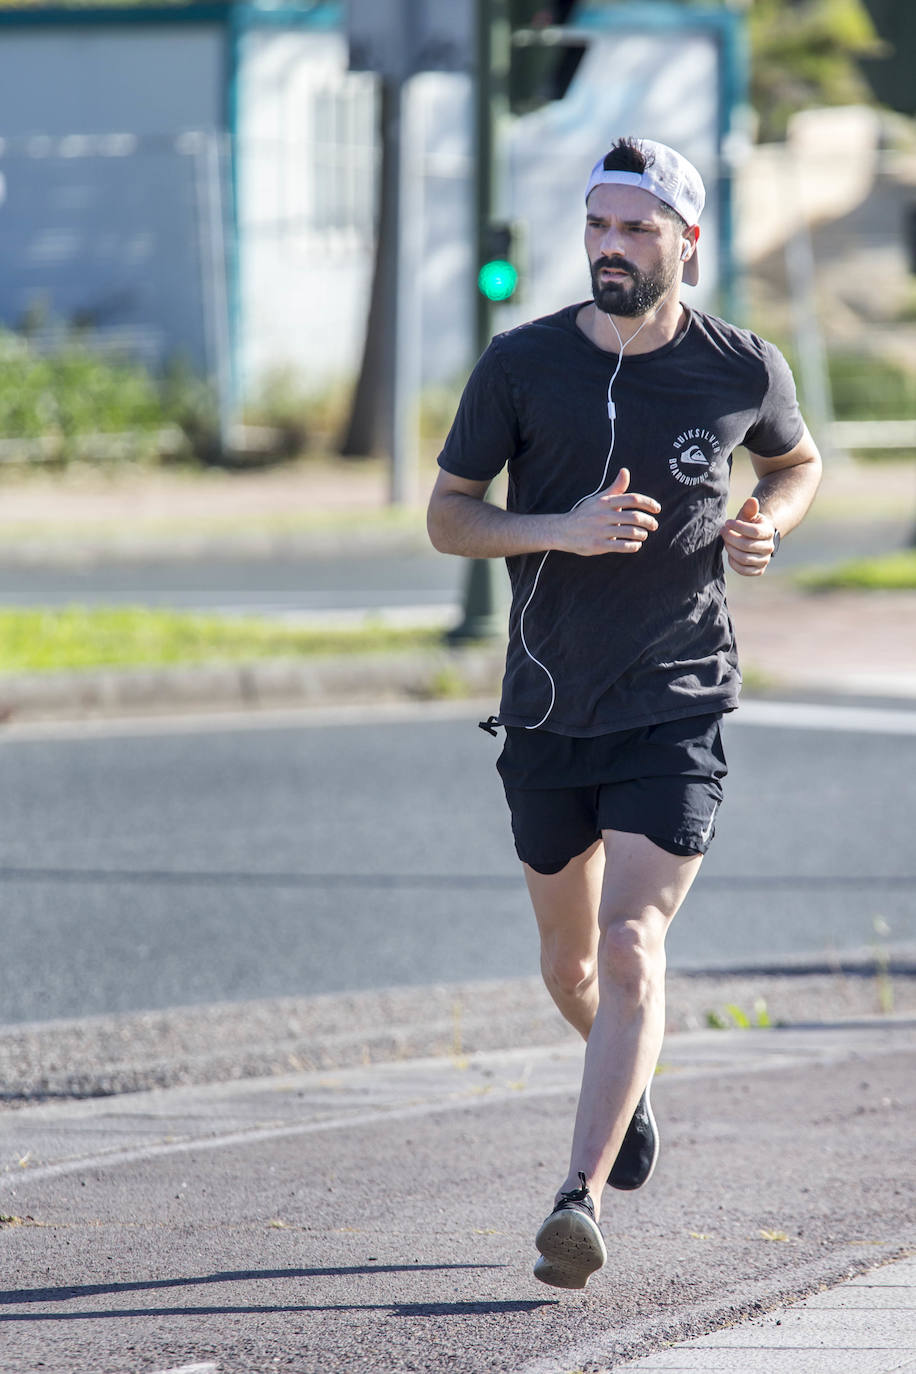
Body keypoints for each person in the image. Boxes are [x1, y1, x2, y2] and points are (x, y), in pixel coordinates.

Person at [426, 136, 822, 1290]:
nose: (610, 247)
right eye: (597, 225)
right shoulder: (520, 366)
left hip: (677, 699)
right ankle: (628, 1075)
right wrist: (557, 528)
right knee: (570, 970)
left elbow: (794, 463)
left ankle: (576, 1198)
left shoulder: (739, 366)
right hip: (546, 707)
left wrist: (768, 521)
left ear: (685, 243)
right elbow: (450, 517)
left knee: (630, 942)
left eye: (635, 229)